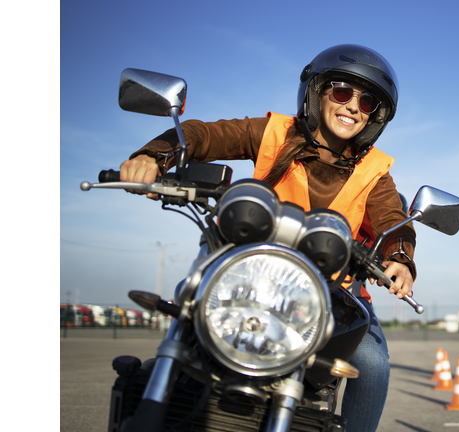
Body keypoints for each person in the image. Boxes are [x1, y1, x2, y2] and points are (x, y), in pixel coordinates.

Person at [118, 44, 415, 432]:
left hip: (331, 297)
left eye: (368, 101)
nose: (354, 106)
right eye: (342, 91)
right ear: (318, 92)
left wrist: (400, 256)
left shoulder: (376, 171)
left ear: (376, 115)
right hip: (248, 274)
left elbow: (394, 219)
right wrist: (155, 156)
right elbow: (203, 135)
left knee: (372, 363)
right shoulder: (274, 132)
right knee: (190, 308)